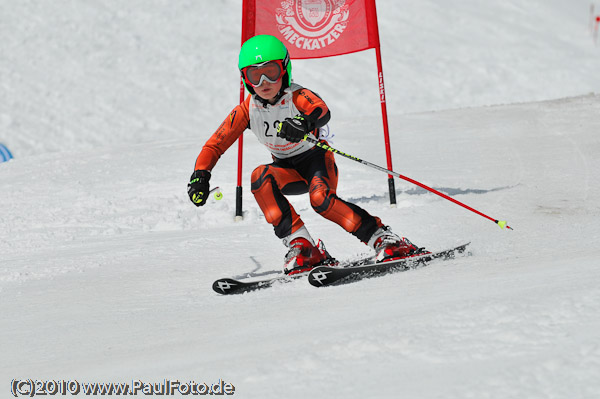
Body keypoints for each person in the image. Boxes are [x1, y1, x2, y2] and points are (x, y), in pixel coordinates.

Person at [188, 34, 422, 275]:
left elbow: (321, 110)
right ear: (245, 79)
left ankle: (384, 238)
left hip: (316, 162)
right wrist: (200, 175)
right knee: (260, 177)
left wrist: (303, 122)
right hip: (287, 172)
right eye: (254, 76)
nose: (264, 81)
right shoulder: (247, 110)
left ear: (285, 69)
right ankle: (304, 247)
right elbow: (215, 145)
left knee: (320, 200)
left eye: (271, 71)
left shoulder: (297, 96)